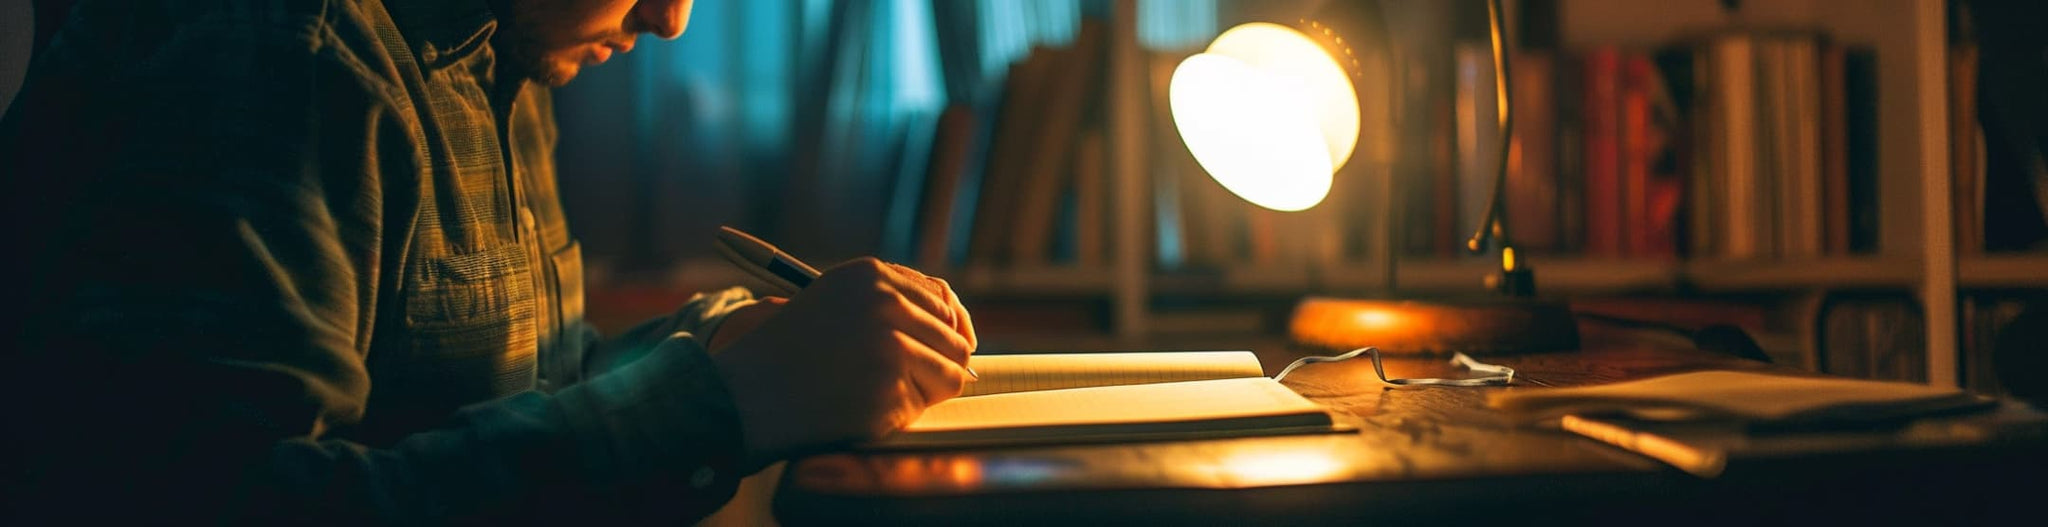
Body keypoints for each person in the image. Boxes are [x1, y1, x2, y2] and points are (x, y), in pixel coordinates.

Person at [0, 0, 978, 523]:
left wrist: (721, 344)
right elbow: (209, 502)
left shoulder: (505, 55)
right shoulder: (270, 52)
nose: (670, 19)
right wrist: (724, 402)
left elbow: (519, 390)